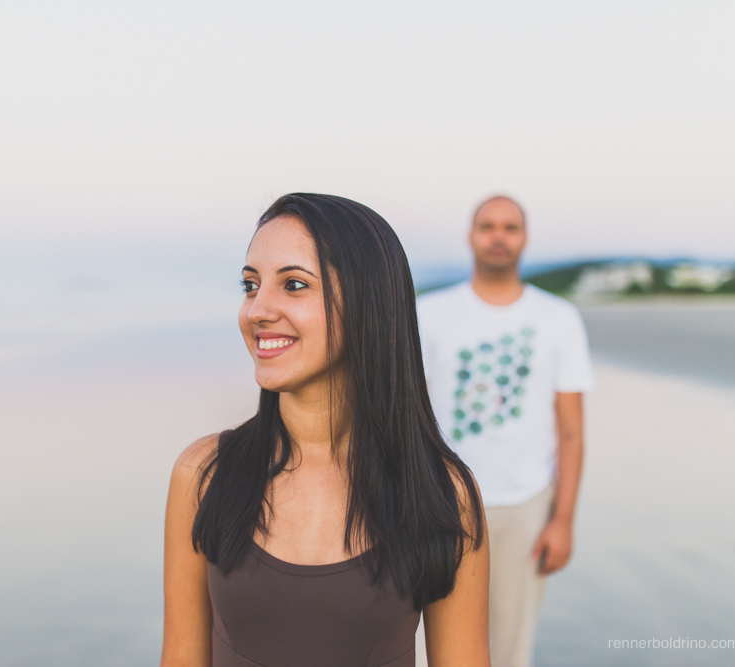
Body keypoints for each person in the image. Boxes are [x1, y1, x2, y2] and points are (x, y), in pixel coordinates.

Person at [161, 194, 490, 667]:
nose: (257, 310)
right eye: (250, 285)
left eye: (293, 284)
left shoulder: (443, 492)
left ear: (367, 302)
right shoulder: (203, 474)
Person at [416, 195, 594, 667]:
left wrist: (563, 519)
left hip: (525, 504)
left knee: (511, 646)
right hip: (439, 501)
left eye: (510, 227)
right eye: (488, 226)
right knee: (428, 643)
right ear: (471, 236)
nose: (499, 236)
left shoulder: (557, 319)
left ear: (524, 239)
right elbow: (404, 413)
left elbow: (571, 431)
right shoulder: (431, 314)